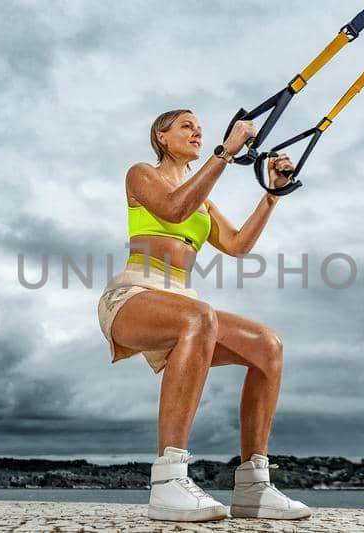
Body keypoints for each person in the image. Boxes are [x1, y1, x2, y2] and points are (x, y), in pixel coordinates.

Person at [95, 109, 309, 522]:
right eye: (186, 127)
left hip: (183, 302)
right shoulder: (142, 173)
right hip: (133, 293)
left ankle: (253, 486)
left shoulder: (203, 199)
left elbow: (237, 244)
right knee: (200, 316)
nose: (196, 133)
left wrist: (272, 195)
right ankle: (168, 481)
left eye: (200, 129)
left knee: (267, 345)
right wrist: (225, 152)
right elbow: (173, 209)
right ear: (161, 136)